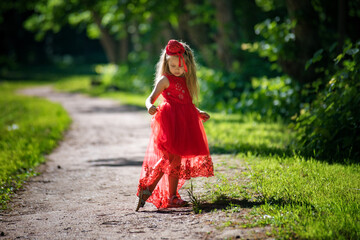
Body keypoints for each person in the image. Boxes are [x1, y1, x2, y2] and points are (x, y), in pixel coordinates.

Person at [135, 39, 214, 211]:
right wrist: (150, 107)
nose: (177, 70)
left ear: (187, 65)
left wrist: (198, 112)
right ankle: (148, 186)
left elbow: (186, 102)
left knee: (175, 160)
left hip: (184, 122)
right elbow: (150, 98)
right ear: (167, 64)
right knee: (169, 158)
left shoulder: (186, 80)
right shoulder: (165, 80)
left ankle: (171, 196)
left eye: (180, 66)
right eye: (173, 66)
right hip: (170, 122)